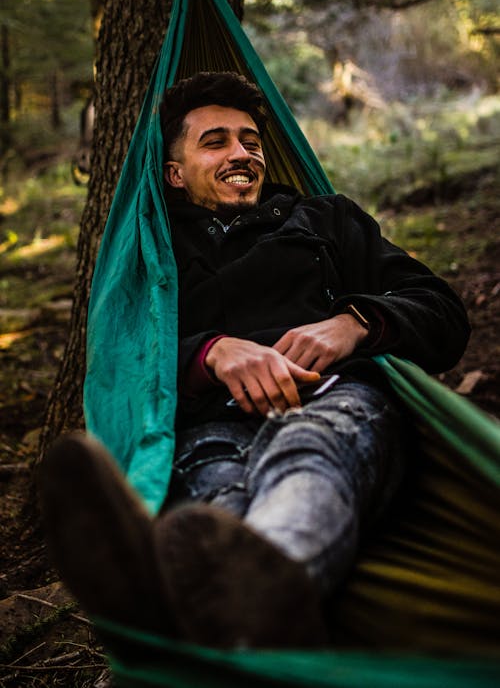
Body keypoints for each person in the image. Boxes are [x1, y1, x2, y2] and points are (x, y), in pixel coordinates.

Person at [40, 72, 470, 651]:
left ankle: (237, 589)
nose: (241, 153)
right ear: (174, 172)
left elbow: (443, 312)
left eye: (250, 140)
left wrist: (354, 322)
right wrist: (210, 352)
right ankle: (232, 606)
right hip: (208, 422)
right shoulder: (152, 245)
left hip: (328, 399)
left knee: (306, 455)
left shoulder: (325, 219)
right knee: (215, 496)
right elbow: (122, 359)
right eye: (215, 142)